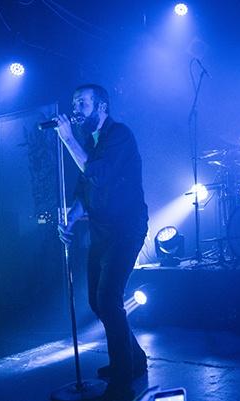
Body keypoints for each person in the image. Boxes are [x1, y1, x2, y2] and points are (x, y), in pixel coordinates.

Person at [56, 84, 149, 401]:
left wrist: (67, 140)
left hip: (127, 228)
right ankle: (134, 360)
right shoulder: (89, 143)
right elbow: (84, 191)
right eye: (74, 103)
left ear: (102, 107)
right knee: (98, 302)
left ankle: (122, 383)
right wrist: (71, 219)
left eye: (82, 103)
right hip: (101, 231)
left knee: (109, 299)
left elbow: (98, 174)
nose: (76, 109)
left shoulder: (120, 136)